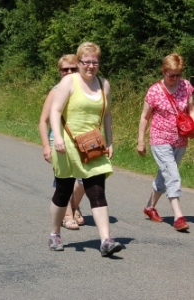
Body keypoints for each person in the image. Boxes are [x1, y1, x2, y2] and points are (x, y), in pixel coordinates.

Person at [49, 42, 122, 256]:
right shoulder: (68, 82)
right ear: (79, 62)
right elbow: (55, 110)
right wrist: (57, 139)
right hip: (68, 144)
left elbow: (107, 115)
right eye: (86, 62)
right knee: (63, 191)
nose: (91, 66)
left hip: (93, 144)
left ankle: (106, 240)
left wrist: (110, 141)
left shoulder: (103, 84)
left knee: (97, 191)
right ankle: (54, 233)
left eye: (95, 62)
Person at [137, 52, 194, 231]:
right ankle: (178, 216)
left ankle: (150, 207)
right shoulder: (154, 91)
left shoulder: (186, 86)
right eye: (171, 75)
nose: (175, 78)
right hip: (160, 139)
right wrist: (140, 140)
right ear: (164, 71)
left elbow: (191, 108)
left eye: (178, 74)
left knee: (166, 175)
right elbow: (145, 117)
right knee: (173, 175)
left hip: (180, 140)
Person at [39, 54, 85, 230]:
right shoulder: (56, 91)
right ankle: (67, 215)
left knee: (83, 180)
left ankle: (73, 206)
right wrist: (46, 146)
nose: (69, 72)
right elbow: (43, 120)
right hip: (58, 140)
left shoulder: (86, 89)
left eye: (73, 69)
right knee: (64, 181)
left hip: (82, 141)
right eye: (65, 69)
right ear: (59, 72)